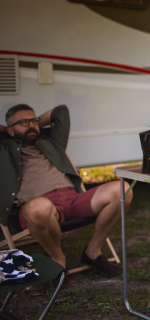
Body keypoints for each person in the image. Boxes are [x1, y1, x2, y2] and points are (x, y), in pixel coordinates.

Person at [0, 104, 132, 276]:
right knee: (39, 208)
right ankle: (57, 259)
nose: (32, 125)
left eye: (34, 121)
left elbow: (61, 111)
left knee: (123, 190)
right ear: (10, 131)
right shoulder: (4, 150)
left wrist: (27, 123)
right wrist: (5, 130)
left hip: (73, 199)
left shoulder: (52, 142)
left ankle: (92, 252)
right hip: (36, 207)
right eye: (24, 122)